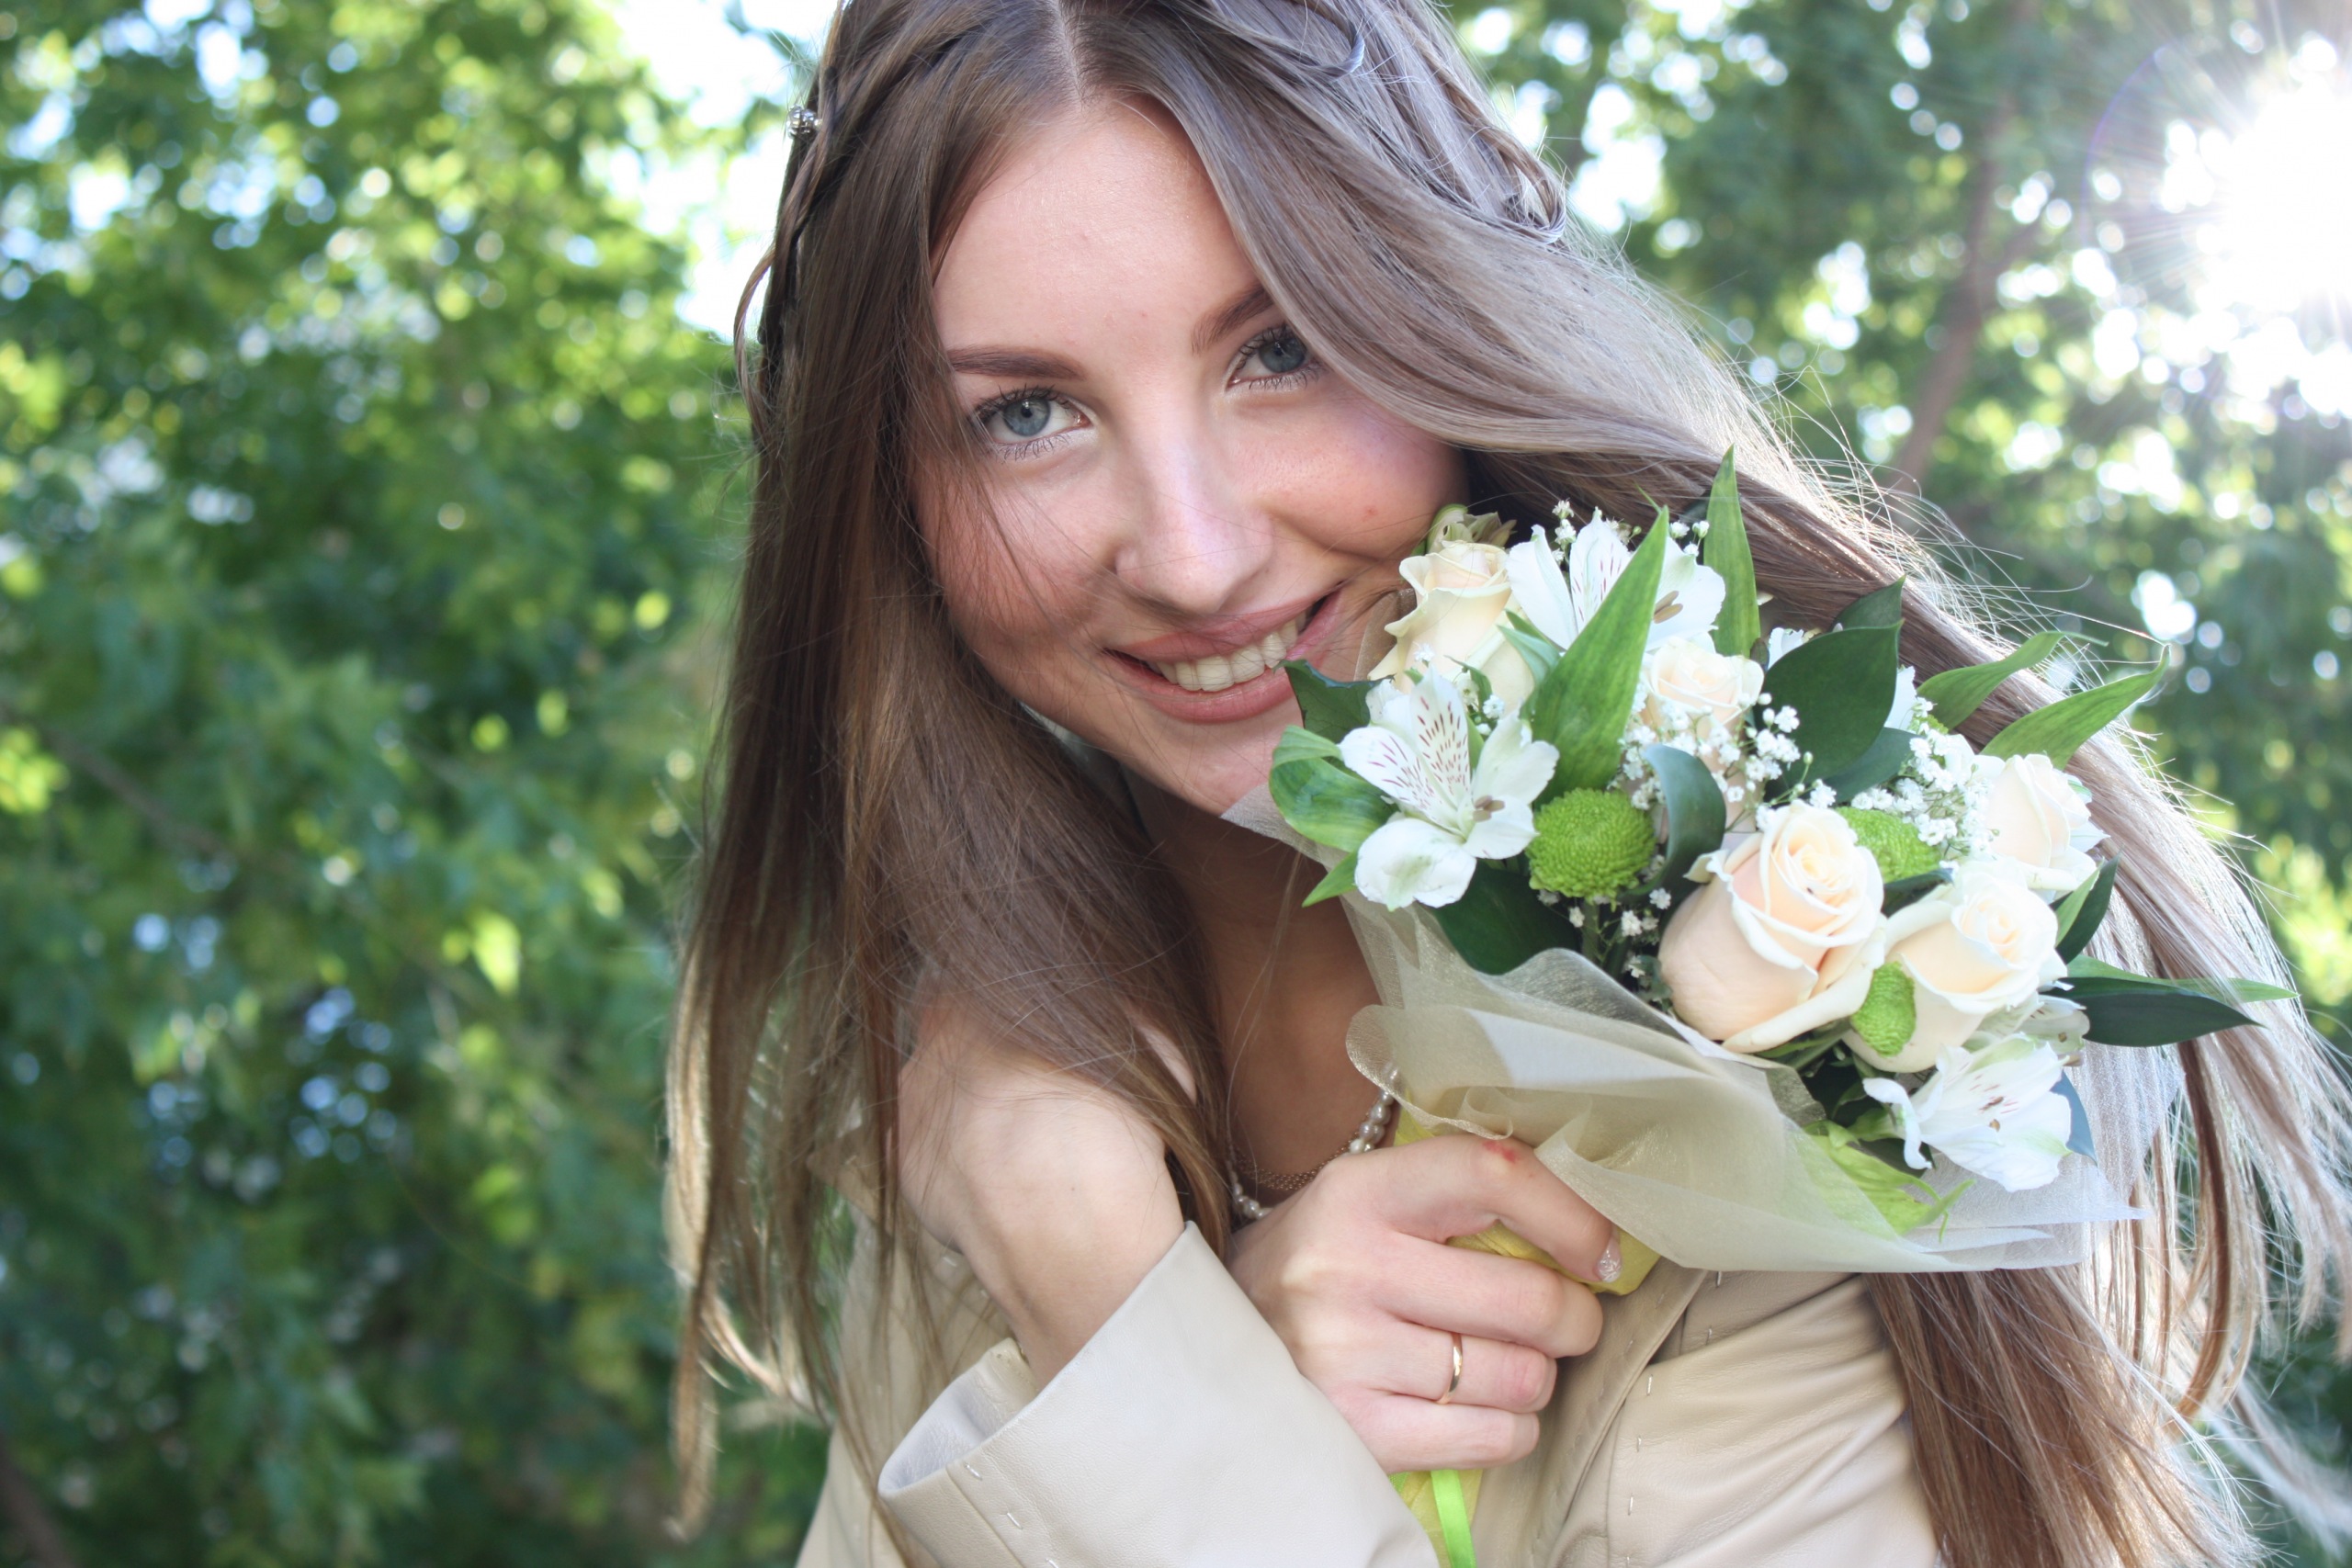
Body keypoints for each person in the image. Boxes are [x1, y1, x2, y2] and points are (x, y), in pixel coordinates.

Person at [664, 2, 2352, 1563]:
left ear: (1447, 321)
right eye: (1027, 413)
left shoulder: (1779, 998)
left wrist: (1113, 1308)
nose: (1192, 555)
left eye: (1278, 348)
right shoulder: (994, 1069)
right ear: (888, 490)